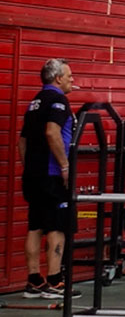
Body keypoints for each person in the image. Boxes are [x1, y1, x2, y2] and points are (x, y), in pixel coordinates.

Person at [19, 58, 75, 301]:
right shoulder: (58, 100)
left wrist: (30, 166)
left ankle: (33, 281)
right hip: (51, 175)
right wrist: (64, 165)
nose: (73, 80)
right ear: (58, 78)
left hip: (33, 174)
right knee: (57, 226)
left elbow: (22, 141)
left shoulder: (35, 103)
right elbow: (52, 131)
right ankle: (54, 281)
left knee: (35, 225)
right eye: (70, 76)